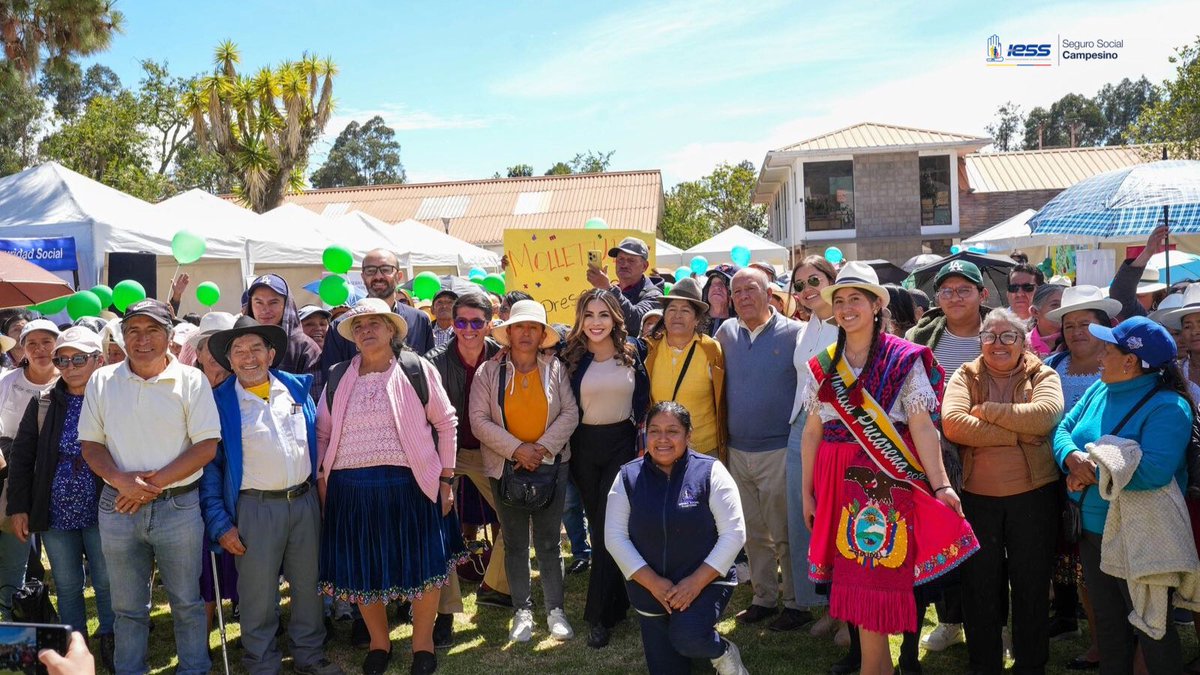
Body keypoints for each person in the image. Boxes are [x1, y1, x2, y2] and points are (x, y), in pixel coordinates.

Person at [801, 262, 978, 675]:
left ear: (876, 305)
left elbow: (922, 426)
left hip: (883, 480)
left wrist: (941, 485)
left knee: (873, 572)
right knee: (853, 580)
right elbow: (812, 431)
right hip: (834, 478)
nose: (846, 308)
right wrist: (806, 491)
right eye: (839, 301)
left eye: (855, 299)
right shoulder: (823, 363)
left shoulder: (903, 358)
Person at [315, 298, 463, 675]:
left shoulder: (416, 369)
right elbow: (322, 432)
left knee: (422, 566)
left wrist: (446, 479)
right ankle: (379, 643)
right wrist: (321, 477)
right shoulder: (337, 375)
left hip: (412, 485)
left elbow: (446, 423)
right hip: (351, 490)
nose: (366, 331)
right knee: (364, 568)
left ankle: (422, 644)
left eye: (374, 324)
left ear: (391, 329)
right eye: (359, 326)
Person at [78, 299, 221, 675]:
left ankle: (194, 669)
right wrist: (121, 482)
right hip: (118, 505)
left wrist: (145, 486)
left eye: (152, 330)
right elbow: (91, 445)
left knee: (187, 601)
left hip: (178, 506)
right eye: (133, 331)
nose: (142, 339)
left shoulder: (192, 380)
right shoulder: (101, 380)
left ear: (169, 335)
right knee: (126, 607)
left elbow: (206, 446)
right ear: (122, 337)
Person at [200, 317, 342, 675]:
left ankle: (309, 654)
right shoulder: (218, 403)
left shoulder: (296, 389)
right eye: (238, 350)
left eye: (256, 348)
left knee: (308, 585)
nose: (248, 357)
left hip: (305, 503)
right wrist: (220, 524)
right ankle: (261, 662)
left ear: (271, 354)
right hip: (254, 508)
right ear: (229, 360)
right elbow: (210, 470)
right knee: (257, 593)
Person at [1053, 316, 1194, 674]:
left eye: (1107, 349)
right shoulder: (1101, 388)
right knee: (1108, 623)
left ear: (1130, 361)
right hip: (1091, 531)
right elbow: (1063, 428)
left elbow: (1154, 471)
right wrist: (1072, 458)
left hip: (1139, 537)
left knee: (1152, 628)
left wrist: (1088, 473)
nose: (1099, 355)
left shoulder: (1168, 407)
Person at [942, 308, 1065, 674]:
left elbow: (1045, 416)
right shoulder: (965, 375)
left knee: (1031, 582)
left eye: (1008, 336)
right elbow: (954, 424)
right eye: (989, 336)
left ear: (1023, 341)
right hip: (976, 499)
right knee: (979, 583)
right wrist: (1018, 435)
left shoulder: (1043, 374)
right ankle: (984, 663)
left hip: (1034, 496)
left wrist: (987, 410)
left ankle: (1031, 664)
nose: (998, 344)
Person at [605, 402, 749, 675]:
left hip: (706, 583)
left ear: (688, 435)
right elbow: (614, 537)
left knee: (688, 637)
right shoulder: (627, 477)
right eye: (654, 431)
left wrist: (695, 583)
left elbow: (734, 532)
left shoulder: (710, 471)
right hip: (650, 589)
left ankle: (722, 651)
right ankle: (696, 650)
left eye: (672, 431)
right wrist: (654, 583)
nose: (662, 439)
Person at [468, 300, 580, 643]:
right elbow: (478, 420)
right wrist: (517, 450)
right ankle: (522, 612)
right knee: (515, 543)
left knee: (549, 542)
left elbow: (570, 413)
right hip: (506, 467)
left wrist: (540, 449)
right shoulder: (488, 372)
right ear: (509, 332)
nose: (527, 333)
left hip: (551, 466)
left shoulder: (555, 368)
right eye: (520, 326)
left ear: (542, 334)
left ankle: (555, 611)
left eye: (534, 327)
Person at [7, 327, 114, 671]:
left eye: (78, 359)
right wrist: (18, 508)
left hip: (103, 508)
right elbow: (22, 458)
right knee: (67, 586)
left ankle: (111, 644)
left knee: (106, 582)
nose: (69, 366)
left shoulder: (114, 399)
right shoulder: (44, 402)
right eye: (62, 360)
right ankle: (74, 651)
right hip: (55, 512)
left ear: (98, 360)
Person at [715, 267, 806, 631]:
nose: (743, 297)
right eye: (736, 292)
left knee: (784, 531)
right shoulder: (725, 333)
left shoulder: (795, 334)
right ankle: (764, 598)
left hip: (779, 449)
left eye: (750, 289)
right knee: (751, 531)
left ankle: (796, 603)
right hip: (737, 451)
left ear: (771, 294)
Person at [561, 289, 650, 648]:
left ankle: (599, 616)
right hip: (583, 448)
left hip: (621, 446)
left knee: (608, 526)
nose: (596, 322)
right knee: (601, 527)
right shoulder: (570, 356)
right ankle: (617, 604)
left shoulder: (633, 352)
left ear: (615, 318)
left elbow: (644, 401)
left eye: (603, 314)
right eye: (589, 315)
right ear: (580, 320)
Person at [424, 292, 506, 642]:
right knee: (440, 527)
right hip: (447, 453)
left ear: (489, 323)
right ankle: (445, 612)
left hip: (491, 451)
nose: (468, 329)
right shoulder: (433, 363)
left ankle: (496, 586)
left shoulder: (503, 357)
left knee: (517, 517)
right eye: (461, 322)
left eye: (476, 322)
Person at [786, 255, 840, 640]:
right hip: (800, 427)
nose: (808, 290)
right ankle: (826, 605)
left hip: (836, 431)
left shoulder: (849, 324)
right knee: (806, 519)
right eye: (801, 284)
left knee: (836, 519)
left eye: (815, 280)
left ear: (832, 280)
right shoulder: (806, 328)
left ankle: (847, 612)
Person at [184, 311, 242, 631]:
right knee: (203, 568)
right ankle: (201, 637)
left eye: (225, 345)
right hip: (192, 487)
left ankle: (247, 618)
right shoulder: (187, 385)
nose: (217, 353)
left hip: (234, 486)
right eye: (211, 345)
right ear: (199, 351)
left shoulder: (243, 386)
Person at [0, 318, 60, 619]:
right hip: (11, 474)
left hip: (57, 473)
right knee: (16, 548)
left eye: (46, 342)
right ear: (22, 349)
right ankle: (13, 616)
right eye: (32, 344)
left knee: (61, 555)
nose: (40, 349)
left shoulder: (70, 379)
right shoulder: (7, 382)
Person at [642, 278, 726, 459]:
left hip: (703, 450)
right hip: (662, 447)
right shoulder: (650, 348)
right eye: (672, 309)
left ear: (697, 319)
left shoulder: (711, 349)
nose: (677, 315)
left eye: (685, 310)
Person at [320, 249, 436, 374]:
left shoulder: (419, 320)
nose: (378, 276)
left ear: (399, 276)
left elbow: (428, 373)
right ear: (363, 277)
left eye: (386, 269)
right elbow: (332, 379)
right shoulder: (340, 327)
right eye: (370, 271)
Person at [244, 275, 323, 384]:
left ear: (286, 304)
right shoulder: (239, 344)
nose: (265, 310)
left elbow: (314, 392)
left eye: (273, 302)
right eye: (258, 302)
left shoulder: (306, 349)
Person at [586, 237, 663, 337]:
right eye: (620, 259)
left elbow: (636, 323)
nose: (624, 264)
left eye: (631, 260)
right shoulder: (611, 291)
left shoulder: (655, 295)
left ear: (644, 266)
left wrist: (608, 289)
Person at [1028, 283, 1066, 357]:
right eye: (1055, 305)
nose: (1062, 310)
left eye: (1064, 305)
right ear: (1035, 311)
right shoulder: (1023, 344)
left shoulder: (1074, 340)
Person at [702, 265, 736, 336]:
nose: (716, 287)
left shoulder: (740, 326)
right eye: (713, 283)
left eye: (723, 284)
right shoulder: (694, 321)